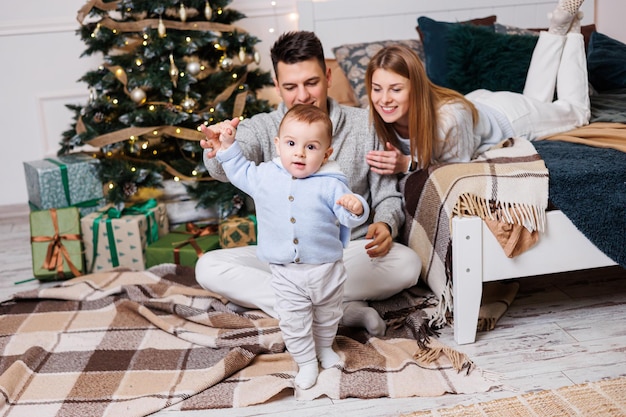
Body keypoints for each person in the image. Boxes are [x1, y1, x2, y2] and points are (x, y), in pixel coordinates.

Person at [196, 31, 422, 337]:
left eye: (311, 83)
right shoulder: (263, 128)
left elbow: (386, 196)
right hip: (282, 261)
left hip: (345, 254)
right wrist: (218, 147)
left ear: (327, 76)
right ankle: (340, 311)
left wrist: (385, 224)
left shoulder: (364, 124)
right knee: (208, 267)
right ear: (276, 86)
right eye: (290, 86)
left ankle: (293, 306)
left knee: (407, 264)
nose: (302, 96)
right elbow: (225, 167)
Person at [209, 104, 370, 390]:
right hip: (286, 271)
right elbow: (238, 170)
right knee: (294, 322)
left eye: (311, 147)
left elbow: (347, 213)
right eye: (292, 144)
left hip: (327, 269)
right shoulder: (265, 176)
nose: (299, 153)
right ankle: (306, 362)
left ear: (326, 153)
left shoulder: (332, 183)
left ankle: (323, 348)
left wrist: (356, 208)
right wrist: (228, 145)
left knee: (327, 315)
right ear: (278, 144)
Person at [364, 0, 590, 175]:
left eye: (395, 89)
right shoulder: (372, 117)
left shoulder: (448, 120)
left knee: (577, 114)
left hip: (510, 117)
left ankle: (573, 30)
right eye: (377, 89)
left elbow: (457, 171)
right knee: (538, 100)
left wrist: (408, 163)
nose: (384, 99)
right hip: (478, 106)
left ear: (417, 88)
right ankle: (556, 32)